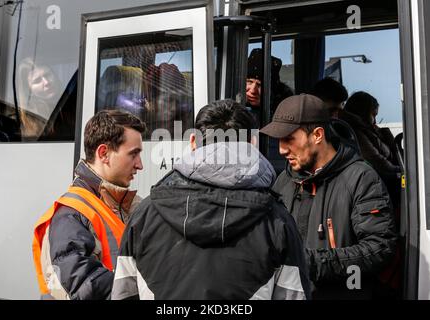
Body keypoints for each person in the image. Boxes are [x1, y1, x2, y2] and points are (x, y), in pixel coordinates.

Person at [111, 99, 310, 300]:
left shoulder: (144, 215)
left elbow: (123, 294)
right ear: (252, 143)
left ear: (193, 142)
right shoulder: (278, 221)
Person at [260, 94, 397, 299]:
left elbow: (380, 248)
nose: (281, 149)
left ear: (317, 135)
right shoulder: (283, 181)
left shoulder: (361, 178)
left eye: (289, 138)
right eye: (279, 139)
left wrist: (313, 263)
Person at [32, 110, 145, 299]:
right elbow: (86, 287)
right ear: (104, 153)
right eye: (133, 154)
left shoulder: (129, 205)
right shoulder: (70, 215)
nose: (140, 165)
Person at [17, 58, 63, 141]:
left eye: (48, 75)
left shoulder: (70, 100)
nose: (46, 82)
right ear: (28, 90)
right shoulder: (32, 116)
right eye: (37, 81)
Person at [246, 48, 293, 126]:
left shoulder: (282, 119)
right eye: (249, 82)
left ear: (271, 90)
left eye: (259, 85)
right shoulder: (233, 110)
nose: (253, 90)